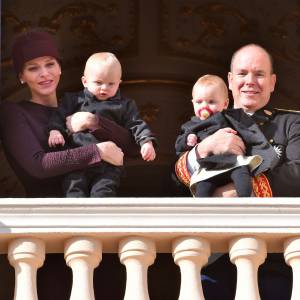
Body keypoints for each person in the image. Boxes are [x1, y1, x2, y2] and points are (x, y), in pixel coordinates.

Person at [175, 44, 299, 299]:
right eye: (242, 74)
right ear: (230, 80)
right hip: (213, 259)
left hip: (275, 260)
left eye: (260, 74)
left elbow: (297, 173)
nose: (250, 81)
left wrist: (241, 193)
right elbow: (175, 179)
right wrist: (203, 149)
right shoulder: (205, 120)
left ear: (273, 82)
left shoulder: (291, 123)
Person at [0, 30, 138, 197]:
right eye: (33, 68)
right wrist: (97, 151)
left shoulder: (78, 104)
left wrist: (93, 121)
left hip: (97, 212)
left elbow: (134, 148)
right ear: (22, 76)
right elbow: (38, 165)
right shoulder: (13, 112)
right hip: (47, 217)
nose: (44, 73)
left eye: (50, 64)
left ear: (59, 67)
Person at [47, 52, 157, 197]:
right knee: (74, 190)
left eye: (111, 83)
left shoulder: (124, 105)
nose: (104, 88)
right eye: (98, 83)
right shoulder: (74, 99)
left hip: (109, 165)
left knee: (103, 193)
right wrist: (55, 131)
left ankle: (100, 219)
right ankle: (76, 219)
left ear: (119, 83)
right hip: (78, 160)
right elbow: (59, 116)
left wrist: (146, 142)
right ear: (85, 81)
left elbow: (136, 123)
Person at [175, 74, 278, 197]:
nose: (204, 106)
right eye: (199, 102)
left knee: (243, 181)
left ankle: (246, 205)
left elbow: (250, 134)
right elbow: (179, 145)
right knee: (202, 189)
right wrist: (188, 140)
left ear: (225, 104)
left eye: (211, 102)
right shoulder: (191, 125)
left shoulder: (231, 117)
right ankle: (202, 214)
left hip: (234, 162)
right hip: (209, 166)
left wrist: (257, 150)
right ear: (193, 103)